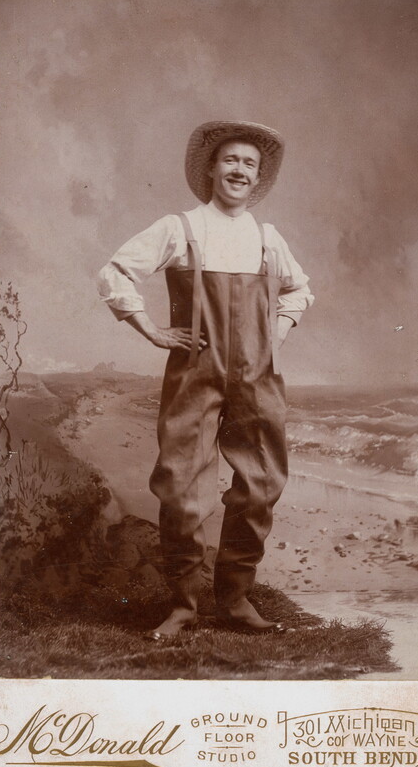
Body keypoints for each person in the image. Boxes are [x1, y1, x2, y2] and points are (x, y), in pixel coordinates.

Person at [98, 120, 314, 639]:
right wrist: (151, 329)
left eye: (250, 164)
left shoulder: (267, 237)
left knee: (261, 485)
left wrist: (274, 338)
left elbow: (299, 291)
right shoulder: (180, 228)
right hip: (196, 371)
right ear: (212, 169)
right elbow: (115, 272)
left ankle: (236, 600)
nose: (239, 170)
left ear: (257, 177)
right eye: (231, 161)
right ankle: (183, 604)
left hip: (257, 376)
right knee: (180, 487)